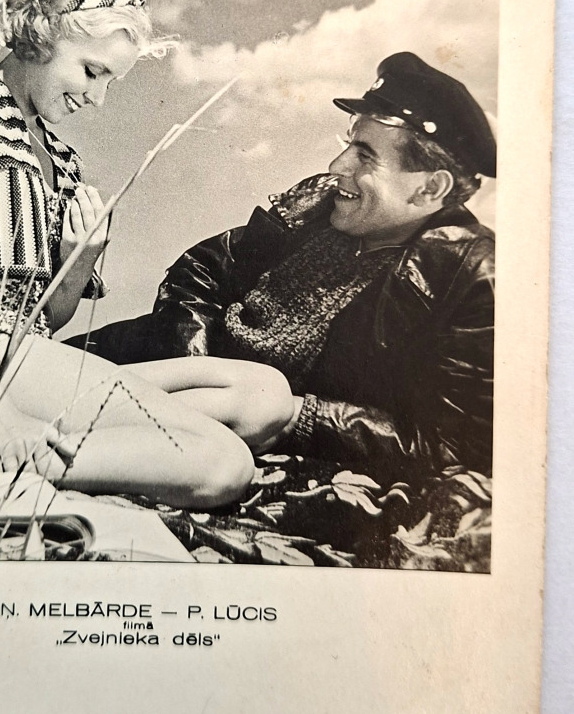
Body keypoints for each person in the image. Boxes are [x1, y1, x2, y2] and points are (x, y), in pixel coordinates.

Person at [0, 0, 295, 508]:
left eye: (110, 82)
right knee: (223, 461)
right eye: (91, 71)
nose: (98, 99)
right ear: (40, 37)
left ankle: (61, 448)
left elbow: (47, 319)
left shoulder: (62, 159)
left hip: (27, 355)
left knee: (265, 396)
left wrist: (81, 256)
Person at [72, 52, 496, 488]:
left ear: (430, 188)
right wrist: (196, 369)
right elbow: (204, 267)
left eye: (365, 156)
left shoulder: (474, 280)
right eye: (348, 143)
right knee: (39, 380)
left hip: (226, 438)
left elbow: (451, 445)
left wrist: (297, 416)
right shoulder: (319, 205)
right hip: (148, 366)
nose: (337, 166)